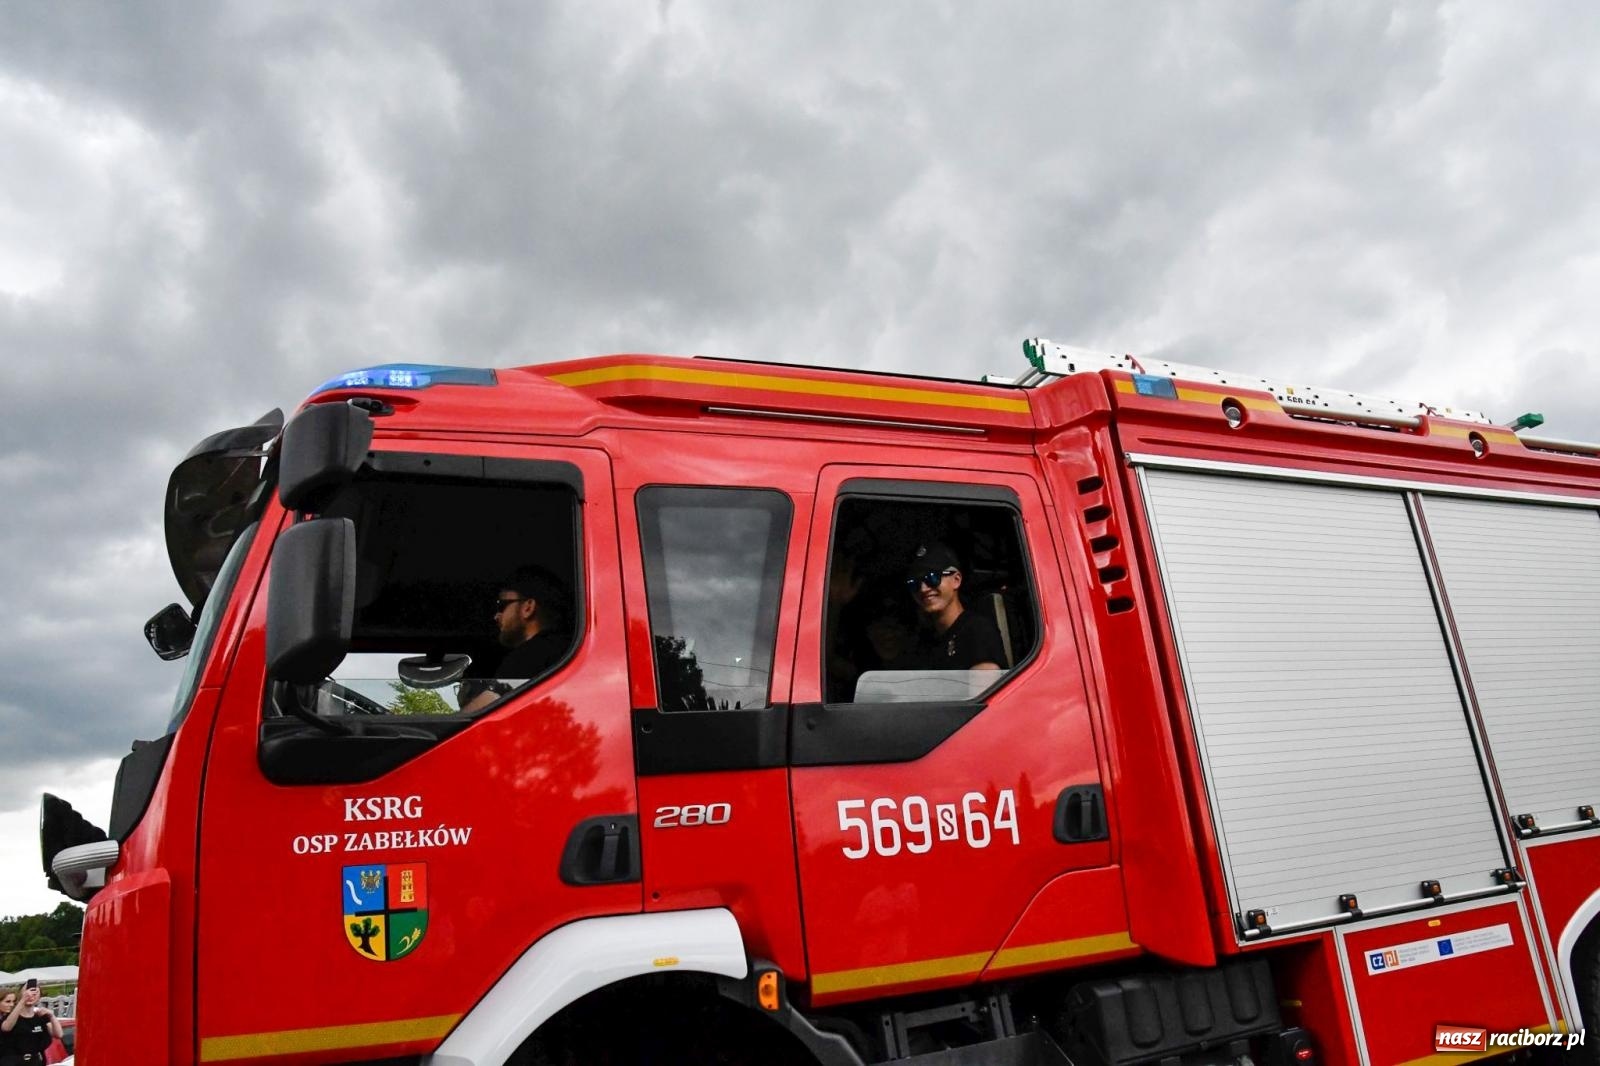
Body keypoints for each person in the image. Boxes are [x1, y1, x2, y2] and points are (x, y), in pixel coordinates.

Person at [459, 566, 572, 713]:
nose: (496, 616)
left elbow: (470, 719)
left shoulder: (529, 656)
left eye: (502, 605)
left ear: (528, 608)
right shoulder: (565, 651)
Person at [896, 543, 1006, 672]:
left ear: (956, 580)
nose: (923, 589)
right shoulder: (925, 642)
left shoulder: (977, 629)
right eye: (914, 583)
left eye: (932, 578)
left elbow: (987, 690)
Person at [1, 981, 62, 1065]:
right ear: (20, 994)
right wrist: (22, 1000)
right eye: (27, 992)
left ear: (39, 996)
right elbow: (6, 1027)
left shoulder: (41, 1017)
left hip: (35, 1061)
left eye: (35, 993)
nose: (30, 996)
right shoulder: (11, 1016)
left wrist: (52, 1016)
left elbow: (58, 1034)